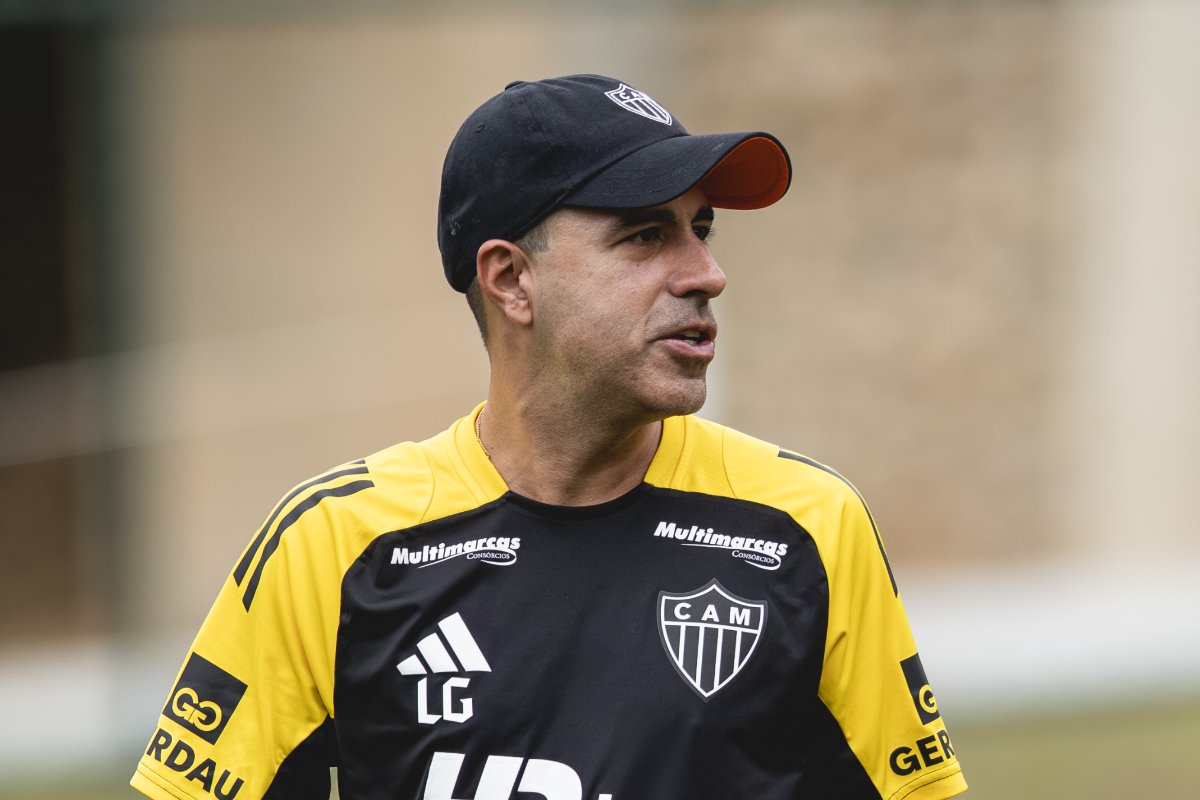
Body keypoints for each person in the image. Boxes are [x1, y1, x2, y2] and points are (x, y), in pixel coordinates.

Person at [131, 74, 967, 800]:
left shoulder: (806, 525)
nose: (705, 272)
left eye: (700, 229)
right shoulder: (334, 544)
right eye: (645, 235)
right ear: (511, 280)